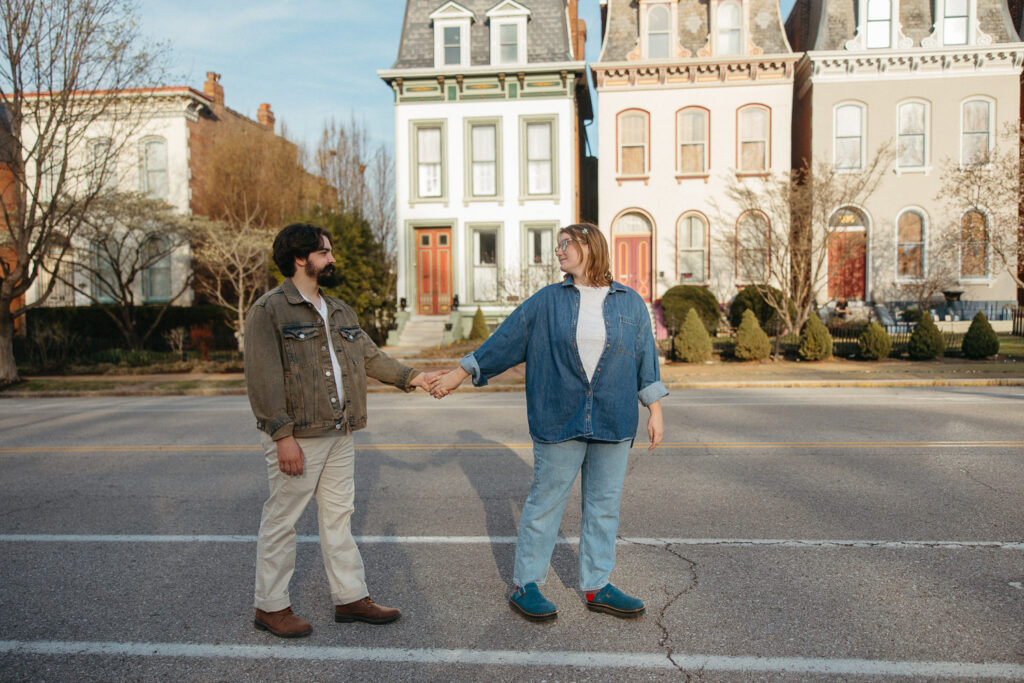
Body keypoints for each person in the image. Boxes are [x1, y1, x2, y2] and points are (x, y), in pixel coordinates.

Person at [431, 223, 667, 622]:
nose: (559, 251)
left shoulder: (630, 303)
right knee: (545, 504)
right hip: (559, 416)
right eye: (558, 245)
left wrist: (655, 410)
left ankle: (596, 585)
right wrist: (459, 373)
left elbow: (646, 359)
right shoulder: (547, 301)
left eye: (565, 244)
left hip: (614, 418)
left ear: (590, 246)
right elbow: (505, 341)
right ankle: (526, 584)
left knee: (604, 507)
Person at [244, 223, 444, 638]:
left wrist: (415, 377)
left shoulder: (338, 310)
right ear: (301, 258)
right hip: (300, 436)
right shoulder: (269, 310)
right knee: (282, 520)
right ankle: (270, 606)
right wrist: (283, 436)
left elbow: (369, 356)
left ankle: (351, 597)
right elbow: (263, 380)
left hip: (340, 431)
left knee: (339, 517)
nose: (332, 258)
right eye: (324, 252)